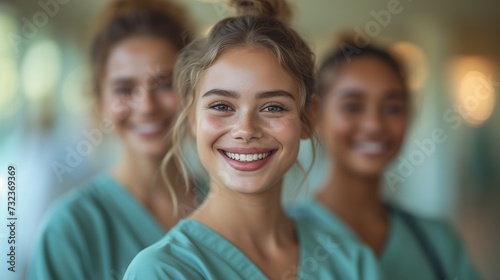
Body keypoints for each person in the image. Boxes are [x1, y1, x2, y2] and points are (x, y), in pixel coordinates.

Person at [124, 1, 384, 279]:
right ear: (191, 118)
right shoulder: (163, 270)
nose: (245, 130)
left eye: (273, 107)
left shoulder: (350, 261)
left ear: (309, 118)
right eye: (222, 106)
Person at [28, 0, 198, 279]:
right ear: (99, 102)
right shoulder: (70, 229)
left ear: (193, 91)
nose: (146, 106)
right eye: (124, 89)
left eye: (166, 84)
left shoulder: (227, 206)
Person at [289, 43, 482, 280]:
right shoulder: (282, 237)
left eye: (392, 108)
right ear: (315, 116)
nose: (374, 125)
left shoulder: (438, 242)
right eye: (352, 106)